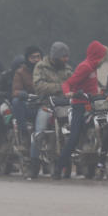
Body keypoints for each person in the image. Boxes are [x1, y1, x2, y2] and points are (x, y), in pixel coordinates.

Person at [58, 41, 108, 179]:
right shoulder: (85, 67)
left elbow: (91, 86)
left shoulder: (93, 67)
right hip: (79, 105)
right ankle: (59, 167)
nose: (103, 59)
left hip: (93, 104)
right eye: (102, 56)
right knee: (73, 137)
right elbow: (67, 83)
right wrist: (68, 92)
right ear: (96, 55)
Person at [31, 42, 73, 180]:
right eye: (63, 56)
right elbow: (39, 86)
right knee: (39, 130)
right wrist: (60, 87)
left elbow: (73, 82)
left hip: (64, 104)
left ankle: (68, 160)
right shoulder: (41, 67)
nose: (66, 59)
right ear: (55, 56)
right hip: (46, 104)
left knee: (71, 127)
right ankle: (34, 163)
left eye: (67, 56)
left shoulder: (67, 68)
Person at [12, 46, 43, 177]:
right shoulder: (20, 72)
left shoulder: (45, 70)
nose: (36, 60)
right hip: (29, 105)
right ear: (27, 59)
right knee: (16, 102)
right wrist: (23, 94)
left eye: (38, 57)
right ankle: (23, 132)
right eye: (32, 57)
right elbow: (15, 91)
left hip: (45, 104)